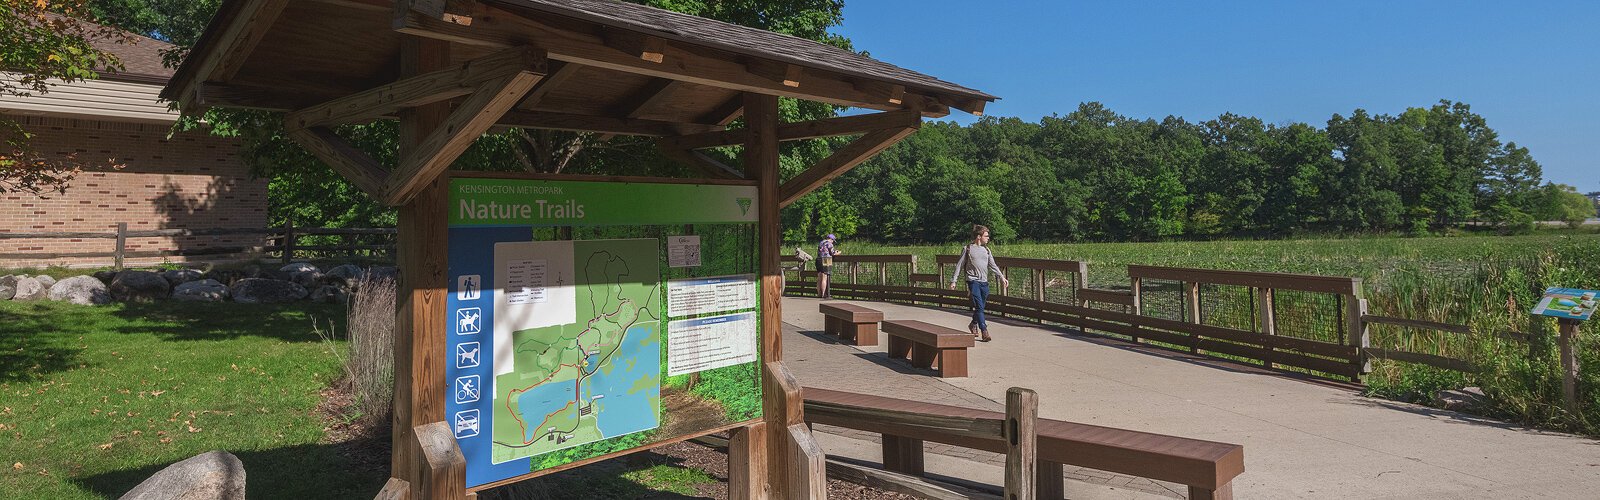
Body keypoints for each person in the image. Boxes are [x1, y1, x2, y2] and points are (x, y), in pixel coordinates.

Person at [949, 224, 1008, 342]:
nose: (988, 238)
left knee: (981, 307)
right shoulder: (968, 249)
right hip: (973, 281)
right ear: (979, 237)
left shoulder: (986, 250)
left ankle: (973, 323)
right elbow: (959, 265)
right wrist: (953, 281)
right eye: (986, 236)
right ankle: (984, 331)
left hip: (984, 282)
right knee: (979, 306)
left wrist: (1002, 277)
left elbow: (993, 265)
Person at [816, 233, 842, 298]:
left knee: (819, 278)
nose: (833, 242)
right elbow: (833, 253)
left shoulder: (821, 242)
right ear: (831, 239)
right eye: (833, 240)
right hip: (826, 260)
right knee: (824, 278)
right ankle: (824, 294)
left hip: (818, 259)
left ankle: (819, 294)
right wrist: (838, 253)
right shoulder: (829, 244)